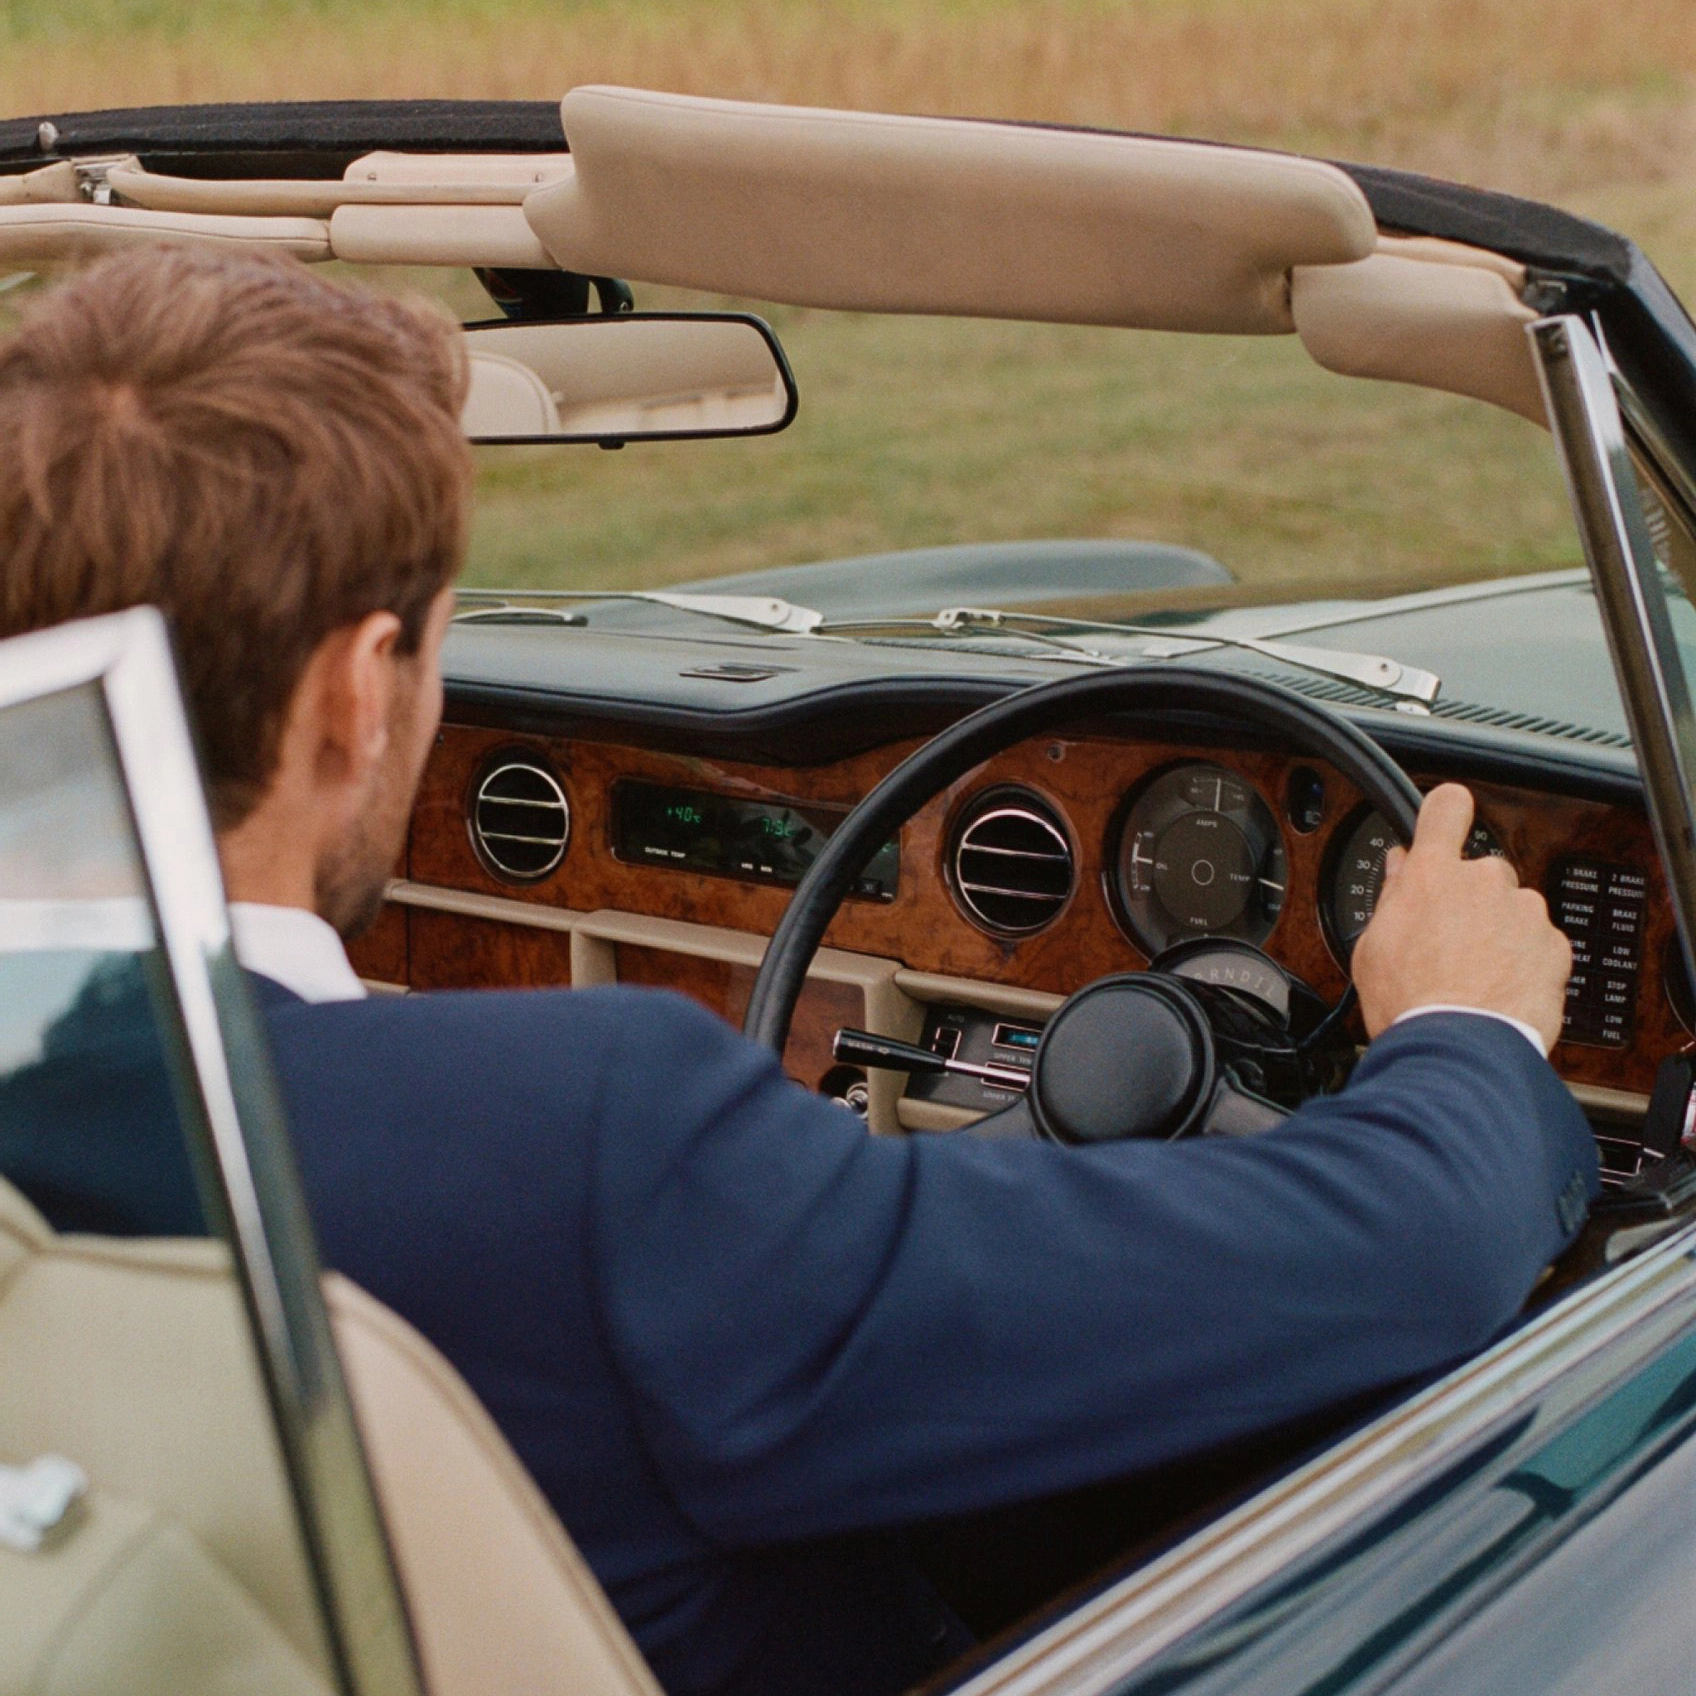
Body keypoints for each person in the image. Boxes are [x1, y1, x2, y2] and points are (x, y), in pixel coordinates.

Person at [0, 247, 1596, 1696]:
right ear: (356, 695)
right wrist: (1459, 1022)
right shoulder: (580, 1148)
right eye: (434, 635)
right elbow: (1413, 1252)